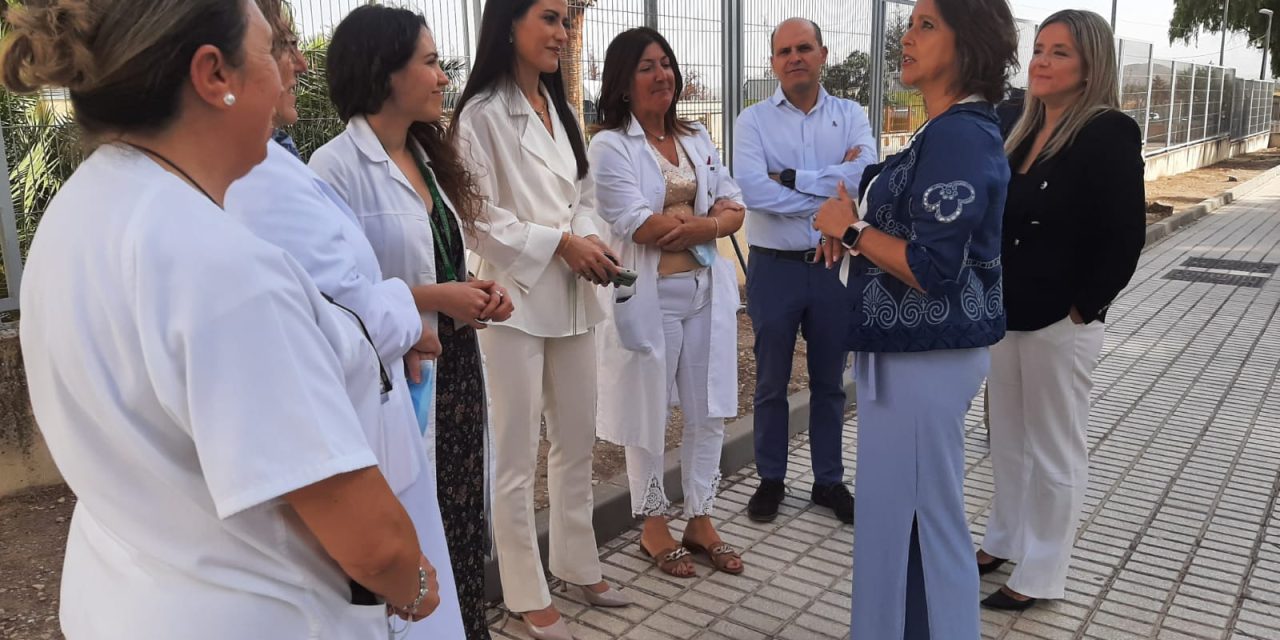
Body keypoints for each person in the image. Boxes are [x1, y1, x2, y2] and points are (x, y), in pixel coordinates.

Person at [5, 0, 440, 637]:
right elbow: (371, 542)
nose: (290, 68)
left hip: (123, 604)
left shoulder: (78, 216)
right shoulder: (223, 265)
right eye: (270, 50)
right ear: (215, 75)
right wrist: (418, 587)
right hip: (261, 615)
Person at [224, 2, 467, 637]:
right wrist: (419, 309)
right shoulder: (295, 175)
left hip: (423, 371)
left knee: (459, 520)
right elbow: (345, 309)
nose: (300, 65)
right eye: (280, 48)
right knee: (416, 592)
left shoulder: (277, 168)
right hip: (380, 410)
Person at [812, 0, 1019, 635]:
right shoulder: (943, 130)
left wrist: (848, 229)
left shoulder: (960, 134)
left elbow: (932, 266)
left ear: (968, 43)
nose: (908, 37)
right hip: (907, 356)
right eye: (911, 22)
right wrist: (856, 231)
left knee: (929, 522)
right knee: (894, 518)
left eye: (927, 25)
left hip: (927, 360)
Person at [308, 6, 513, 639]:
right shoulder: (333, 169)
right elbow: (330, 297)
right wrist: (438, 296)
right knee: (414, 524)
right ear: (384, 72)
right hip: (398, 378)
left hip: (455, 371)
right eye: (429, 62)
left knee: (460, 517)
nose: (443, 77)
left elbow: (439, 255)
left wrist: (473, 294)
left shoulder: (427, 158)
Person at [451, 1, 630, 638]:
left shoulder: (560, 108)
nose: (562, 32)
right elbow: (477, 218)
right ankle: (526, 594)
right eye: (549, 18)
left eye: (565, 20)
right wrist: (559, 244)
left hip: (576, 294)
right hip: (516, 303)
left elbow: (582, 195)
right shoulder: (479, 115)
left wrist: (586, 238)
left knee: (577, 441)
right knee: (516, 454)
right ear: (508, 24)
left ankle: (579, 562)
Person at [976, 10, 1146, 611]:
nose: (1041, 61)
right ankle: (1004, 537)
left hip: (1058, 321)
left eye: (1059, 53)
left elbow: (1126, 236)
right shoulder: (1019, 126)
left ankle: (1042, 573)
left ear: (1089, 66)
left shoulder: (1107, 132)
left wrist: (1083, 309)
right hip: (1007, 313)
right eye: (1040, 49)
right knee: (1009, 439)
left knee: (1054, 447)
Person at [589, 27, 748, 579]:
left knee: (708, 411)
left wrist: (697, 222)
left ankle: (701, 517)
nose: (662, 76)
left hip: (706, 293)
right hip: (652, 301)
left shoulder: (698, 136)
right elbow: (637, 223)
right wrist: (710, 223)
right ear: (624, 83)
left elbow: (736, 206)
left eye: (666, 64)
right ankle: (653, 525)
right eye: (646, 67)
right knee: (650, 412)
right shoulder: (610, 145)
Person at [733, 17, 878, 525]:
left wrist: (792, 179)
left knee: (829, 383)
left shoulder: (851, 113)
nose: (794, 57)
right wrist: (828, 200)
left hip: (834, 266)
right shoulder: (752, 121)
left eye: (804, 48)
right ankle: (771, 478)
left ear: (823, 54)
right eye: (784, 51)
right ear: (773, 61)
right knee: (770, 381)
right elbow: (752, 190)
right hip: (774, 268)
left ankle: (828, 481)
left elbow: (864, 175)